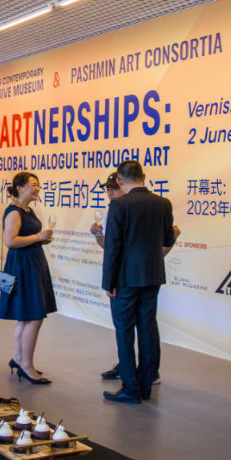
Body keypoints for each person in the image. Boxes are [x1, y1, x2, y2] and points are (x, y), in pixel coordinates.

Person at [101, 160, 175, 404]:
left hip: (124, 278)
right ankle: (146, 385)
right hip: (152, 275)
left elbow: (113, 247)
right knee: (148, 328)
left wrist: (108, 281)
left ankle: (130, 388)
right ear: (144, 176)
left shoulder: (119, 205)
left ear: (120, 180)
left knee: (124, 331)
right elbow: (168, 239)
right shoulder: (163, 203)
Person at [0, 171, 55, 385]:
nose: (37, 188)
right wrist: (38, 237)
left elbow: (26, 238)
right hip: (22, 266)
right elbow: (10, 241)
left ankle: (18, 358)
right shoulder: (14, 212)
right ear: (20, 188)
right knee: (34, 316)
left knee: (25, 316)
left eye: (38, 185)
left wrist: (40, 240)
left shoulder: (27, 210)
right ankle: (27, 366)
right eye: (33, 185)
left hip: (32, 262)